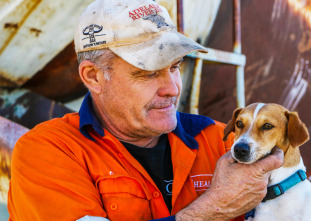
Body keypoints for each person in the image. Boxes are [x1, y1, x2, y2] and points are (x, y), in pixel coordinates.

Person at [7, 0, 284, 220]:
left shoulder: (216, 139)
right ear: (93, 76)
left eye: (175, 66)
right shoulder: (48, 152)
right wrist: (212, 210)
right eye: (149, 72)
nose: (173, 88)